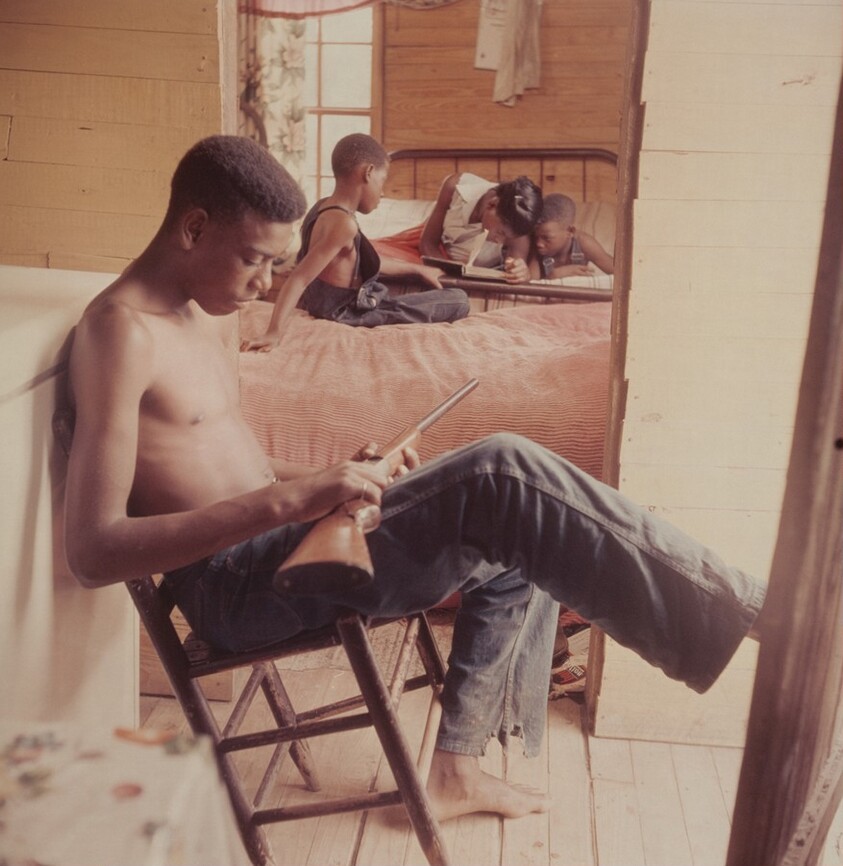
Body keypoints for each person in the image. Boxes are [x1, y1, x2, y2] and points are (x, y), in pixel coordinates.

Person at [63, 134, 767, 824]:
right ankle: (743, 609)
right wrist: (293, 498)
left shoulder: (208, 313)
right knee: (502, 469)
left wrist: (336, 477)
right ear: (193, 227)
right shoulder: (120, 333)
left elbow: (234, 461)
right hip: (235, 589)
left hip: (291, 537)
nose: (267, 284)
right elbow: (94, 552)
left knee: (517, 529)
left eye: (276, 265)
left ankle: (455, 771)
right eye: (255, 261)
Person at [241, 133, 469, 352]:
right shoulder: (344, 225)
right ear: (368, 173)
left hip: (331, 303)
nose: (382, 193)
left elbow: (363, 259)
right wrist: (274, 332)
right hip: (348, 313)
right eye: (382, 182)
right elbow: (299, 277)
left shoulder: (324, 207)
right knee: (458, 300)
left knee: (406, 293)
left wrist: (419, 270)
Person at [419, 171, 543, 283]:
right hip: (437, 260)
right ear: (492, 204)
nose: (499, 241)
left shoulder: (518, 226)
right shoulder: (456, 187)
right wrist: (449, 270)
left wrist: (521, 273)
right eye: (501, 232)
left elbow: (517, 277)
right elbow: (427, 243)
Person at [529, 193, 615, 280]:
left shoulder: (584, 243)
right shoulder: (535, 249)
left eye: (547, 238)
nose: (539, 243)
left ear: (570, 231)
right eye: (536, 236)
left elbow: (621, 275)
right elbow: (530, 289)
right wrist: (552, 276)